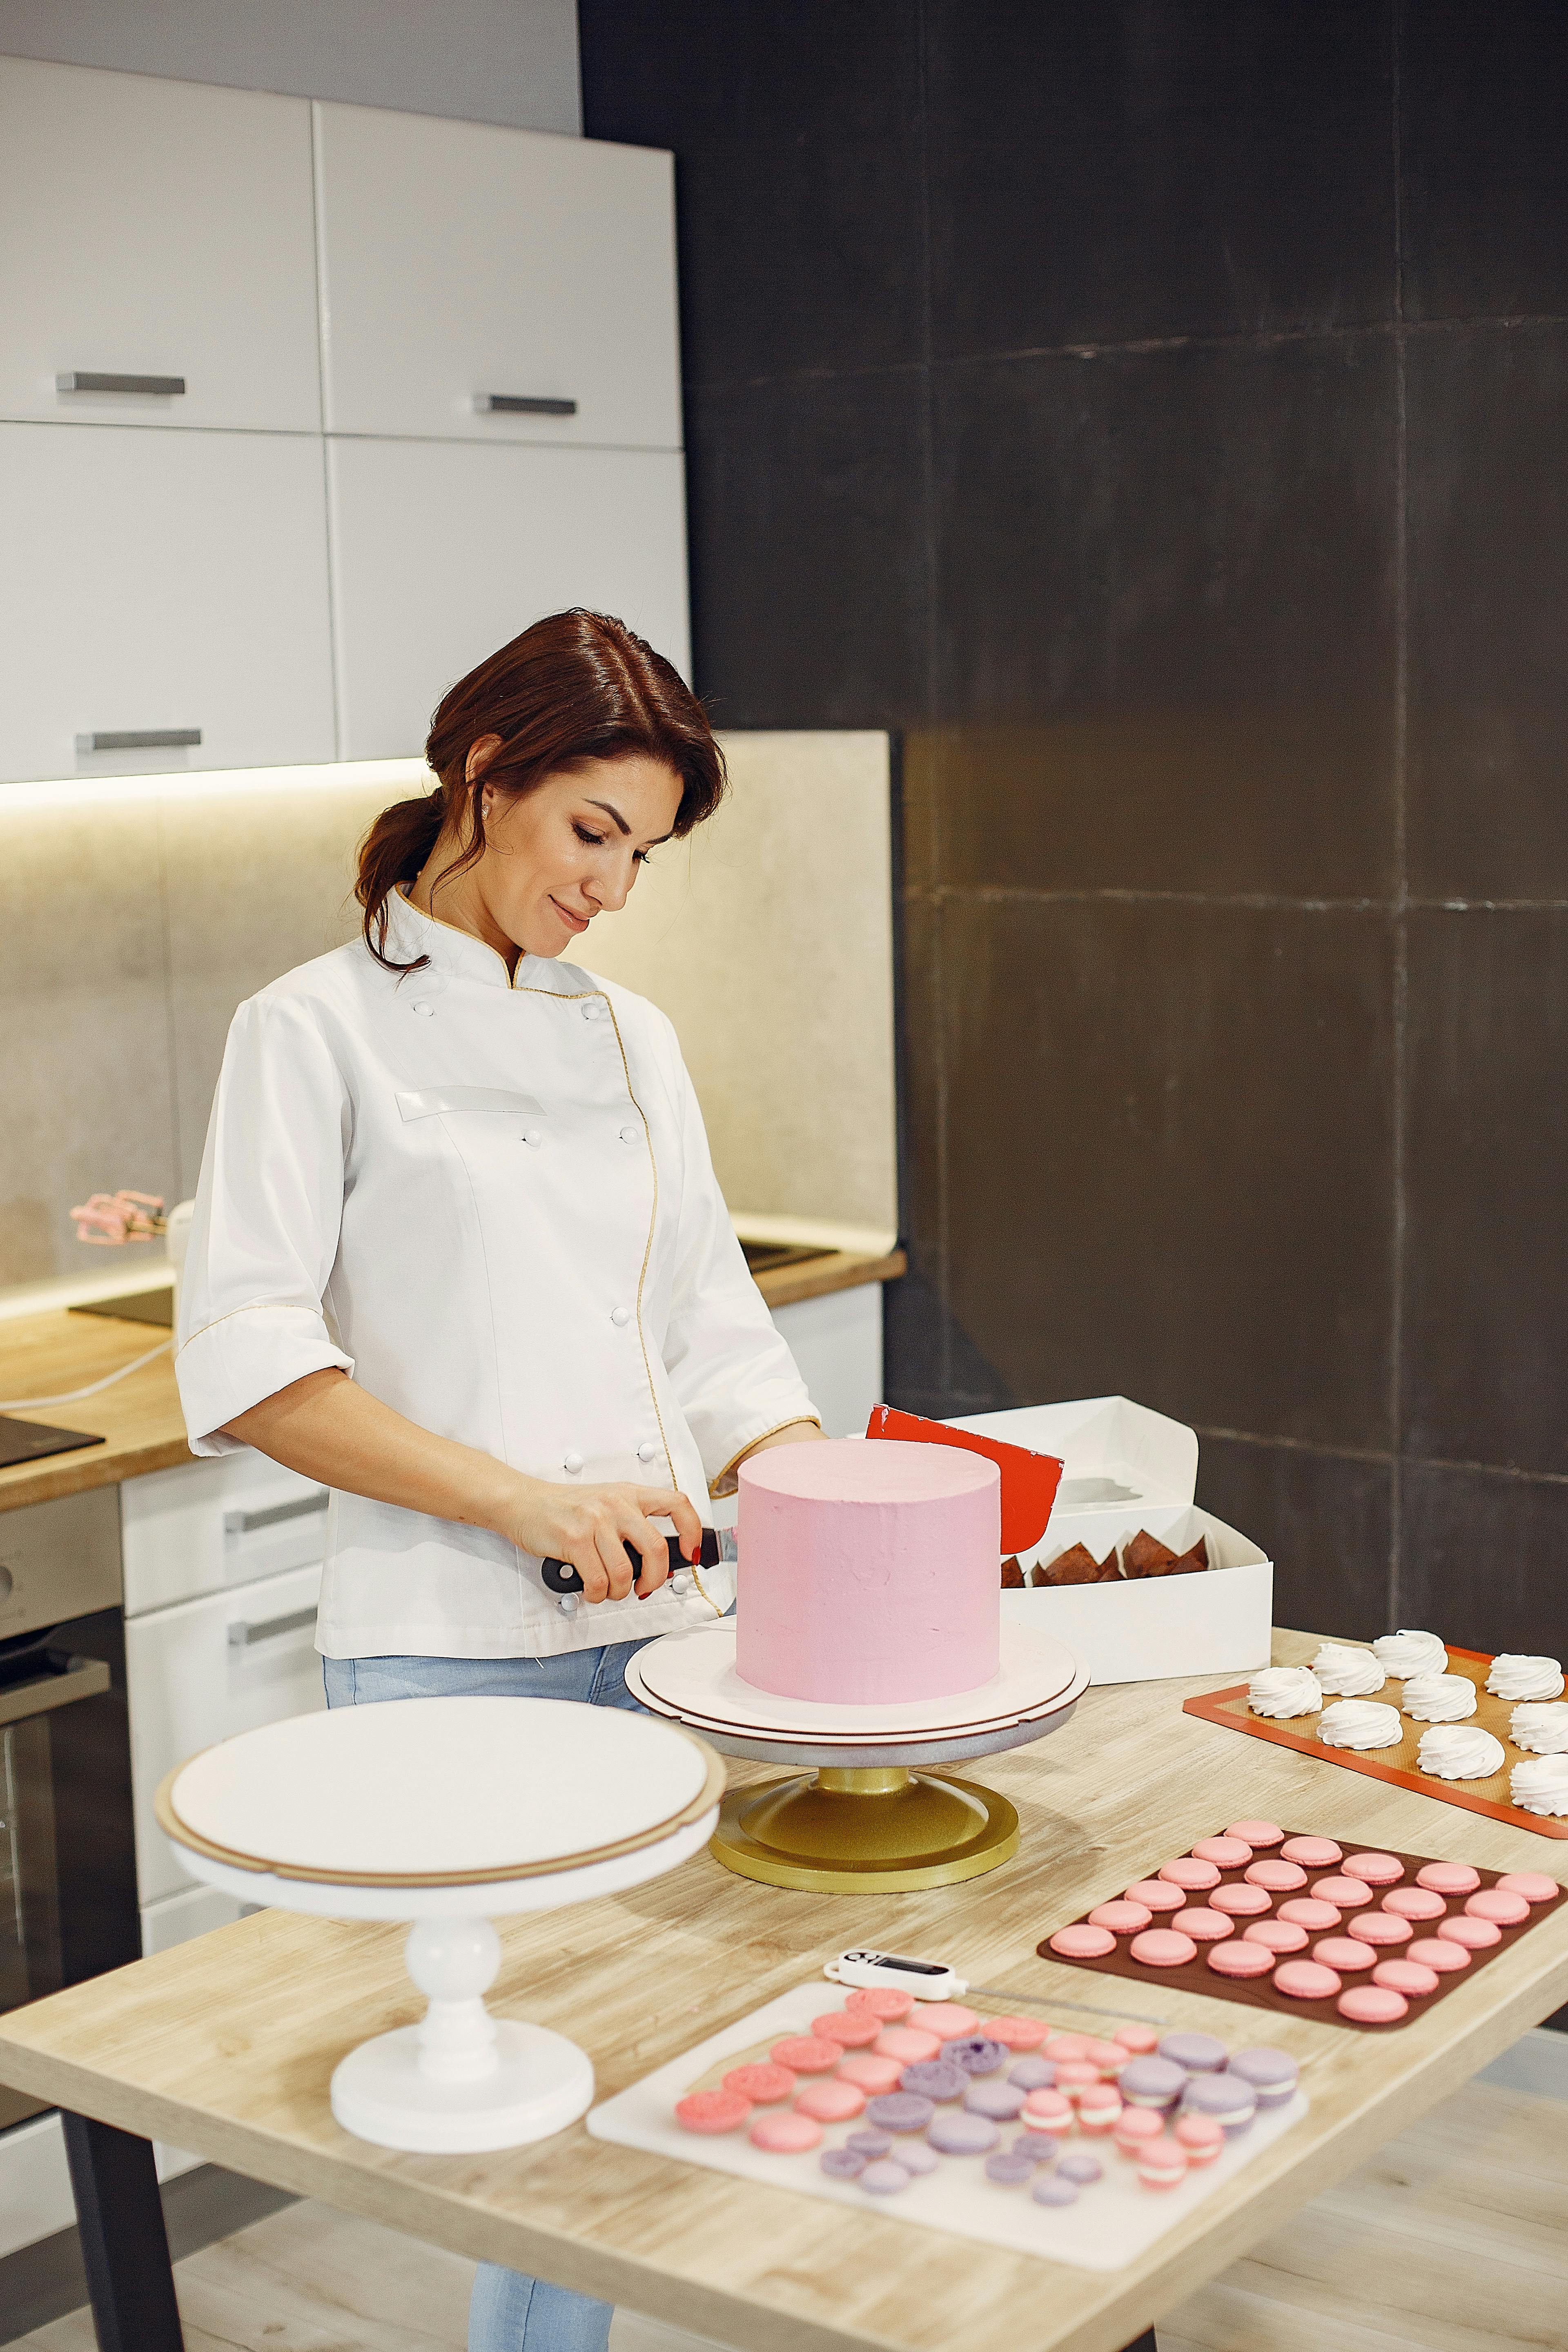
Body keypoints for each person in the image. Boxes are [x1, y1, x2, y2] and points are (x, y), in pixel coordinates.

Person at [174, 608, 823, 2350]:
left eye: (647, 853)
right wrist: (522, 1502)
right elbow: (247, 1363)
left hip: (673, 1622)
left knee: (656, 2070)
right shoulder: (310, 1032)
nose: (613, 889)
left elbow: (712, 1321)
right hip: (451, 1639)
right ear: (486, 776)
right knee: (529, 2111)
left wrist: (818, 1484)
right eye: (591, 832)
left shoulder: (631, 1040)